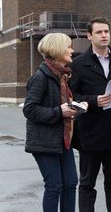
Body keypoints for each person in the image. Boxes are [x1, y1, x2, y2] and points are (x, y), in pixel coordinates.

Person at [70, 17, 111, 212]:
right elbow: (73, 97)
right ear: (89, 36)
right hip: (91, 134)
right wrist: (94, 101)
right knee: (87, 184)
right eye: (99, 32)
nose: (104, 35)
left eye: (106, 31)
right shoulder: (79, 64)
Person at [23, 33, 84, 212]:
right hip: (44, 143)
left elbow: (62, 107)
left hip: (63, 141)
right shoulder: (40, 77)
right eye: (68, 46)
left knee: (71, 182)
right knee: (54, 185)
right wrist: (60, 111)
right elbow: (29, 109)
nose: (72, 50)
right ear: (57, 49)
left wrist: (77, 107)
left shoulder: (63, 76)